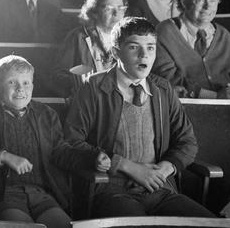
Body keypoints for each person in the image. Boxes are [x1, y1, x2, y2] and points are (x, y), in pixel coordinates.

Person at [53, 17, 215, 219]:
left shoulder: (163, 89)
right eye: (133, 47)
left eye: (150, 48)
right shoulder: (93, 88)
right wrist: (125, 165)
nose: (143, 55)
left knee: (209, 223)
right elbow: (69, 143)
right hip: (110, 189)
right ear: (115, 52)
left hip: (158, 188)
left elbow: (187, 142)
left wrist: (165, 169)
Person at [0, 55, 71, 228]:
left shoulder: (46, 114)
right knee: (21, 226)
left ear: (33, 86)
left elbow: (61, 151)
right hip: (2, 194)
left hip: (41, 192)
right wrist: (4, 156)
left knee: (62, 225)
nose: (21, 88)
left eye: (26, 83)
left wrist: (93, 157)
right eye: (12, 82)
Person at [152, 0, 230, 99]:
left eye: (213, 0)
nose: (207, 7)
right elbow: (166, 80)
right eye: (200, 0)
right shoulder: (164, 31)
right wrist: (215, 97)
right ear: (184, 0)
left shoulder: (222, 34)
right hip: (186, 109)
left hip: (228, 108)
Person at [52, 0, 128, 98]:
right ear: (95, 11)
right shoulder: (78, 37)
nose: (116, 14)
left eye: (120, 8)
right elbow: (58, 75)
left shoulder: (128, 38)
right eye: (109, 8)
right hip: (87, 100)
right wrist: (79, 81)